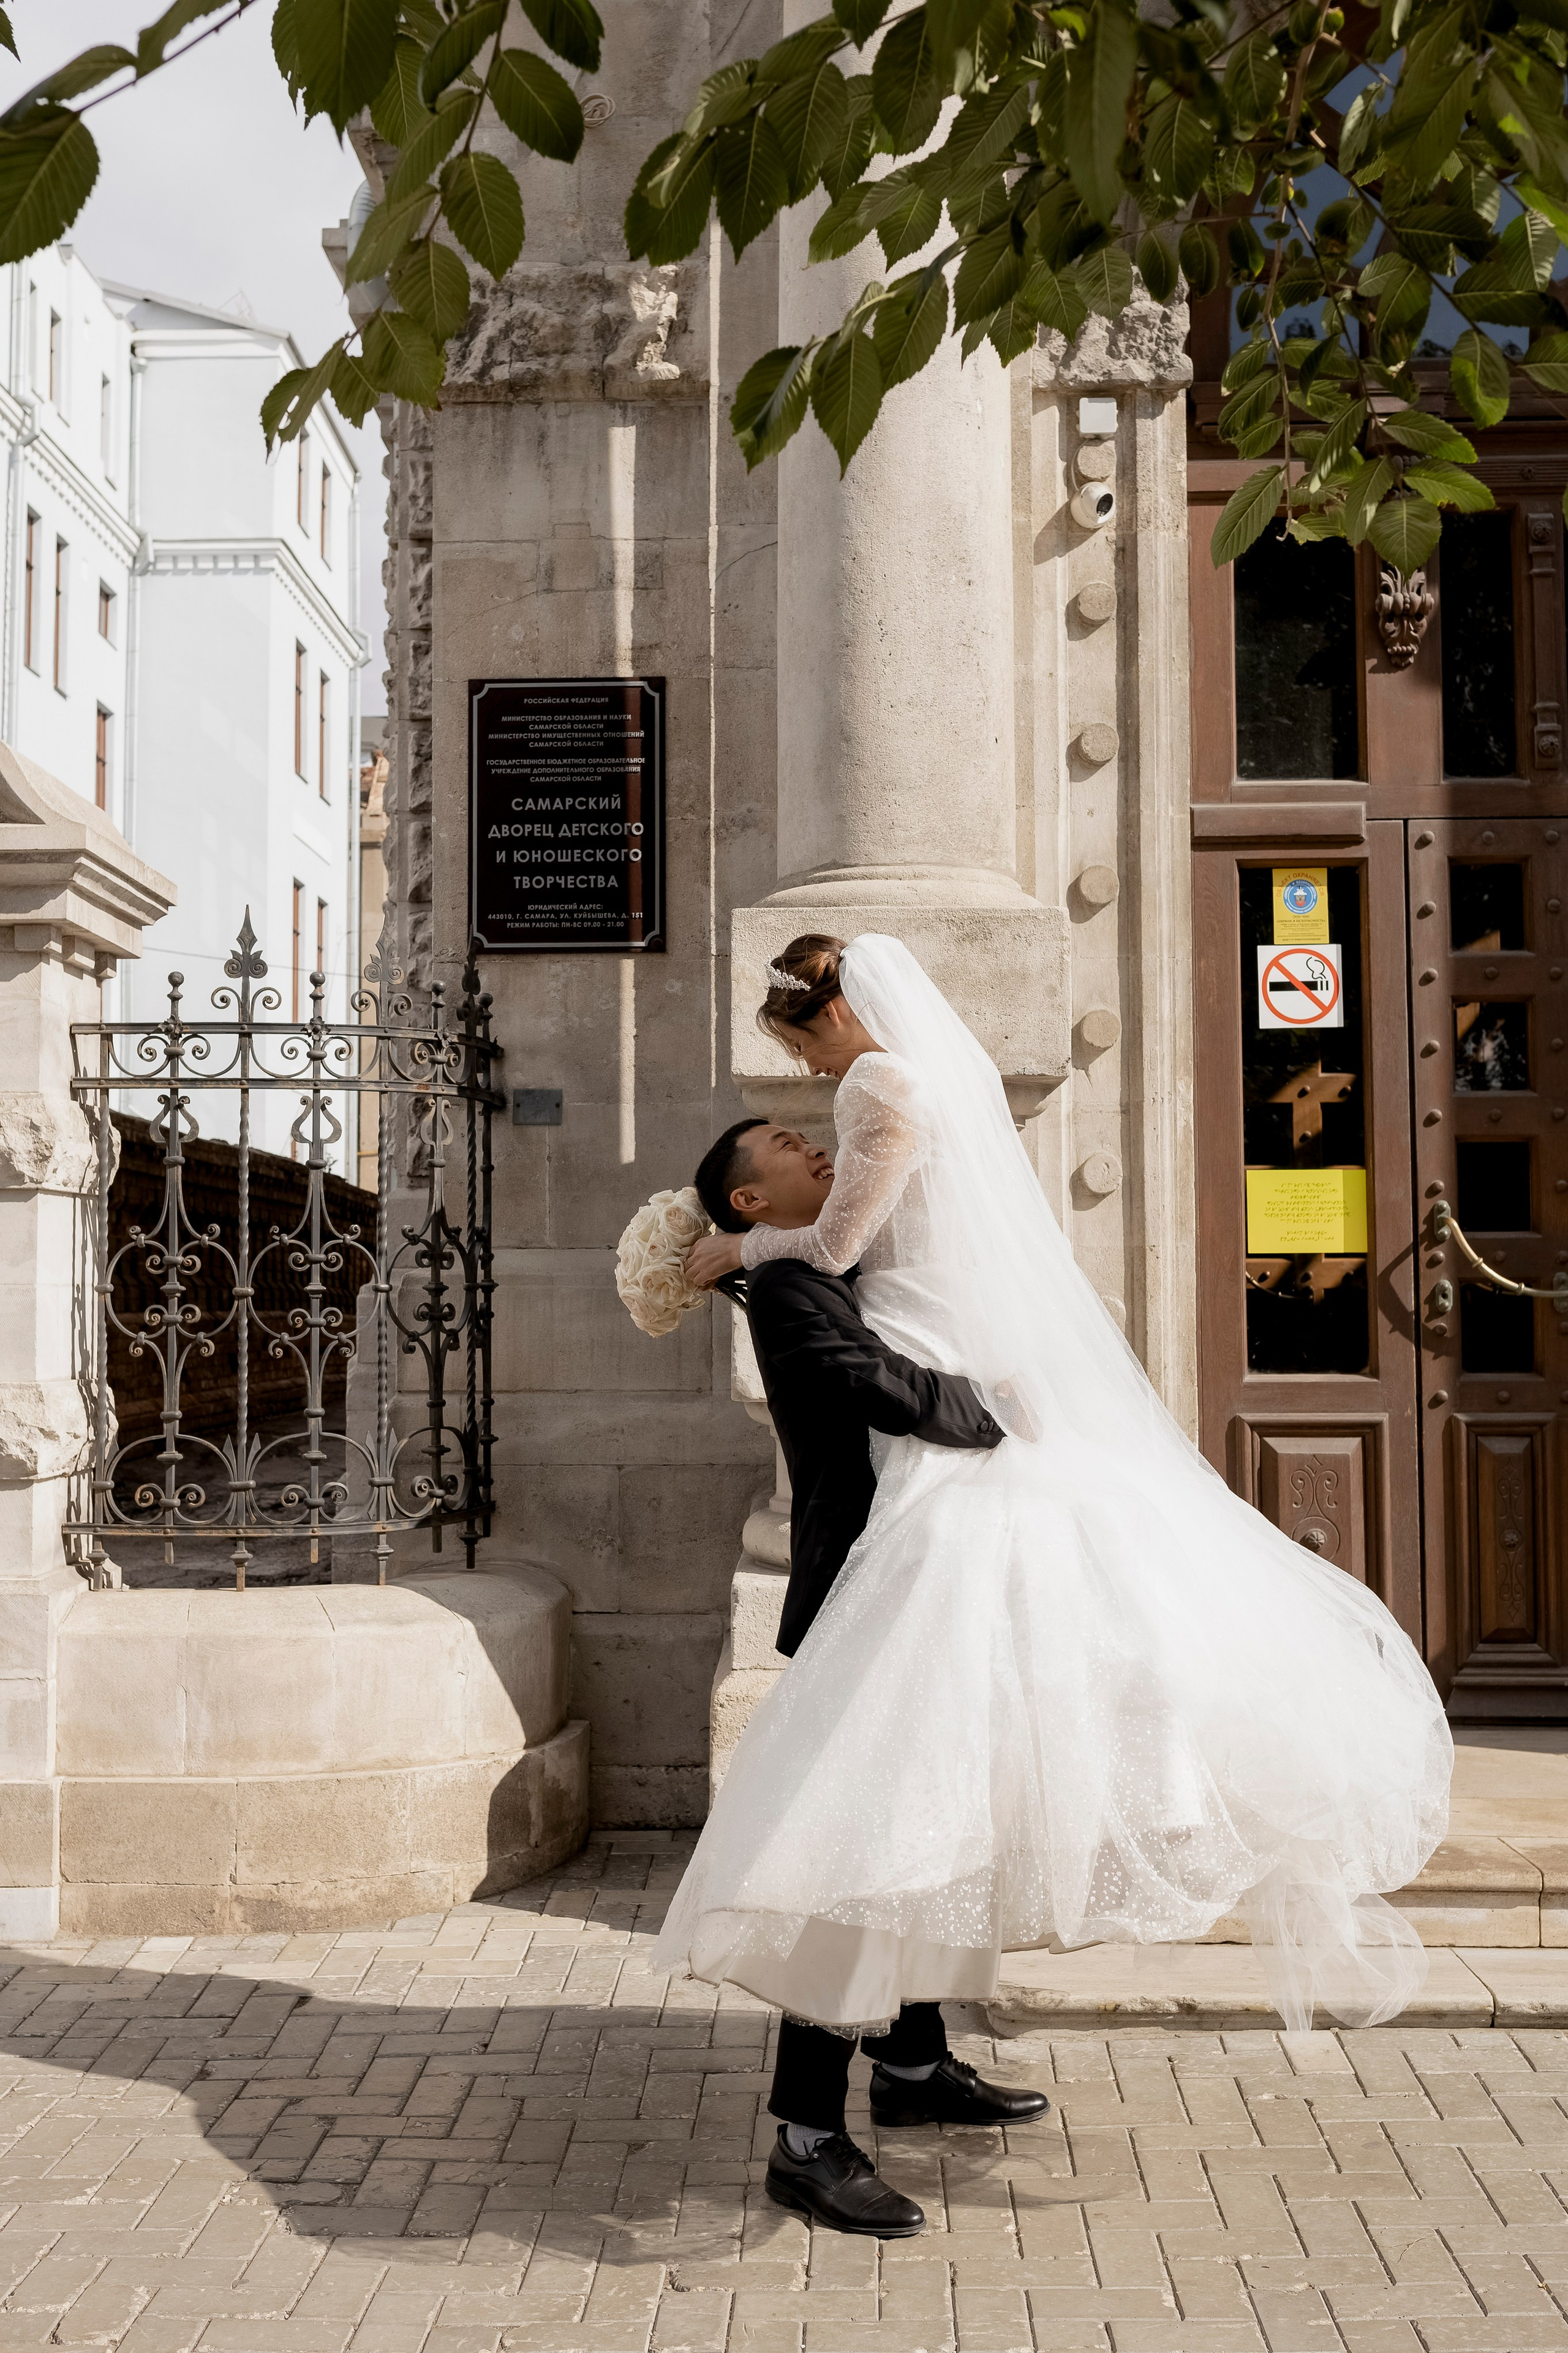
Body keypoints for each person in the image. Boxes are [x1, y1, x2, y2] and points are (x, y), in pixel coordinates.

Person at [657, 933, 1451, 2118]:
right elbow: (840, 1297)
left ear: (829, 1017)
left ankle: (904, 2066)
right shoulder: (870, 1139)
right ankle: (843, 2101)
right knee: (912, 1770)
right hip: (939, 1428)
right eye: (788, 1129)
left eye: (800, 1059)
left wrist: (731, 1246)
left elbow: (832, 1248)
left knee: (924, 1771)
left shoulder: (874, 1096)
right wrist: (747, 1258)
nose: (814, 1101)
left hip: (941, 1425)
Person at [689, 1116, 1049, 2235]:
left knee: (926, 1823)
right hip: (863, 1597)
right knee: (855, 1852)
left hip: (904, 1589)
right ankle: (806, 2134)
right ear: (753, 1202)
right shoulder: (794, 1296)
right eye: (794, 1146)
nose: (821, 1150)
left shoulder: (816, 1263)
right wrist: (1000, 1413)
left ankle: (911, 2063)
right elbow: (876, 1386)